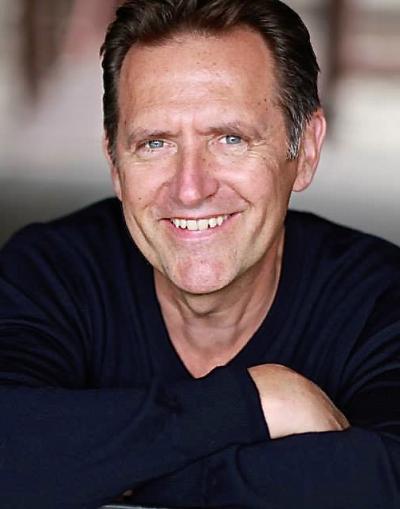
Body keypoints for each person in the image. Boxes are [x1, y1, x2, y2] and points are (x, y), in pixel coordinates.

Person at [0, 1, 399, 507]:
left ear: (306, 150)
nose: (190, 188)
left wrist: (98, 470)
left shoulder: (381, 299)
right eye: (155, 143)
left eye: (231, 139)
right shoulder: (49, 272)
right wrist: (254, 402)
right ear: (115, 164)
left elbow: (384, 479)